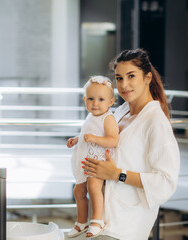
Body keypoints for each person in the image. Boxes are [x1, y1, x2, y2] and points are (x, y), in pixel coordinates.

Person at [82, 49, 180, 240]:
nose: (124, 85)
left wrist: (117, 174)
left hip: (124, 228)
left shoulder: (155, 122)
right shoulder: (120, 112)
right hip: (100, 221)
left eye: (131, 76)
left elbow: (166, 181)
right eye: (119, 78)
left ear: (147, 77)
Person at [67, 76, 119, 238]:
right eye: (91, 99)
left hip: (97, 161)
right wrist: (76, 139)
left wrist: (96, 139)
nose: (95, 103)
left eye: (101, 99)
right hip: (84, 161)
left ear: (111, 102)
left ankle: (97, 220)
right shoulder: (91, 116)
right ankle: (81, 221)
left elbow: (113, 140)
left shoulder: (108, 118)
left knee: (94, 188)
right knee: (78, 191)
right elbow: (86, 134)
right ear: (84, 99)